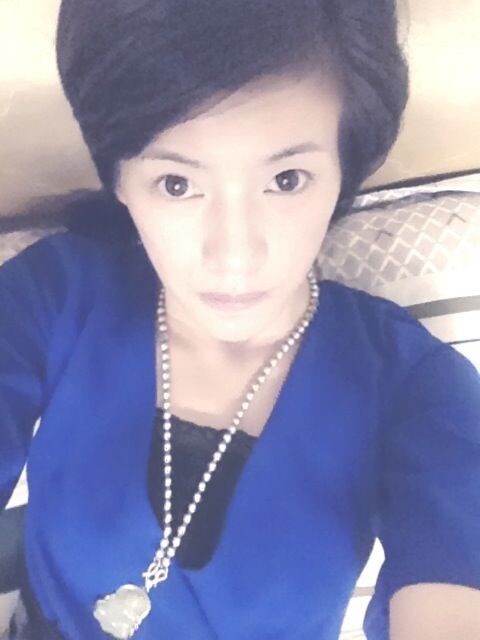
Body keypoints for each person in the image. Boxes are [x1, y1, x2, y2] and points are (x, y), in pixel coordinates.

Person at [1, 0, 479, 638]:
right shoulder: (54, 296)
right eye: (177, 184)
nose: (234, 255)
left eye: (287, 179)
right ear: (118, 178)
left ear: (344, 169)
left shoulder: (418, 388)